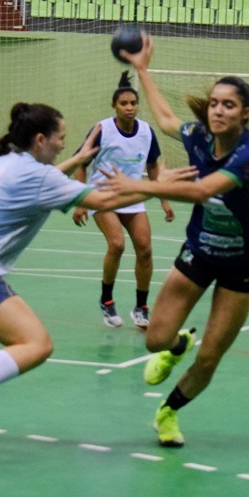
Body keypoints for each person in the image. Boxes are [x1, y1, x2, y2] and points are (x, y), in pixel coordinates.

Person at [0, 102, 150, 432]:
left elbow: (47, 180)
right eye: (61, 138)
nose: (63, 145)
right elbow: (103, 201)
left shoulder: (4, 161)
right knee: (36, 344)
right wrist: (158, 187)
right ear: (41, 140)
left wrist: (79, 159)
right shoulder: (38, 176)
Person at [105, 35, 249, 448]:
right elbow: (165, 118)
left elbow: (201, 190)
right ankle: (178, 345)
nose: (218, 110)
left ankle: (168, 411)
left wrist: (141, 185)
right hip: (200, 251)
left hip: (244, 265)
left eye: (228, 105)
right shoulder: (198, 135)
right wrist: (142, 69)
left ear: (245, 113)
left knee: (210, 357)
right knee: (155, 340)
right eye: (214, 103)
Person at [72, 71, 174, 329]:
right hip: (102, 197)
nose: (129, 108)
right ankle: (106, 300)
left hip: (132, 198)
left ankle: (141, 307)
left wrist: (163, 199)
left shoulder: (147, 132)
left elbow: (153, 168)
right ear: (114, 106)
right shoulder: (102, 130)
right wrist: (81, 200)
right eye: (124, 103)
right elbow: (81, 164)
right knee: (117, 244)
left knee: (145, 249)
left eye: (133, 103)